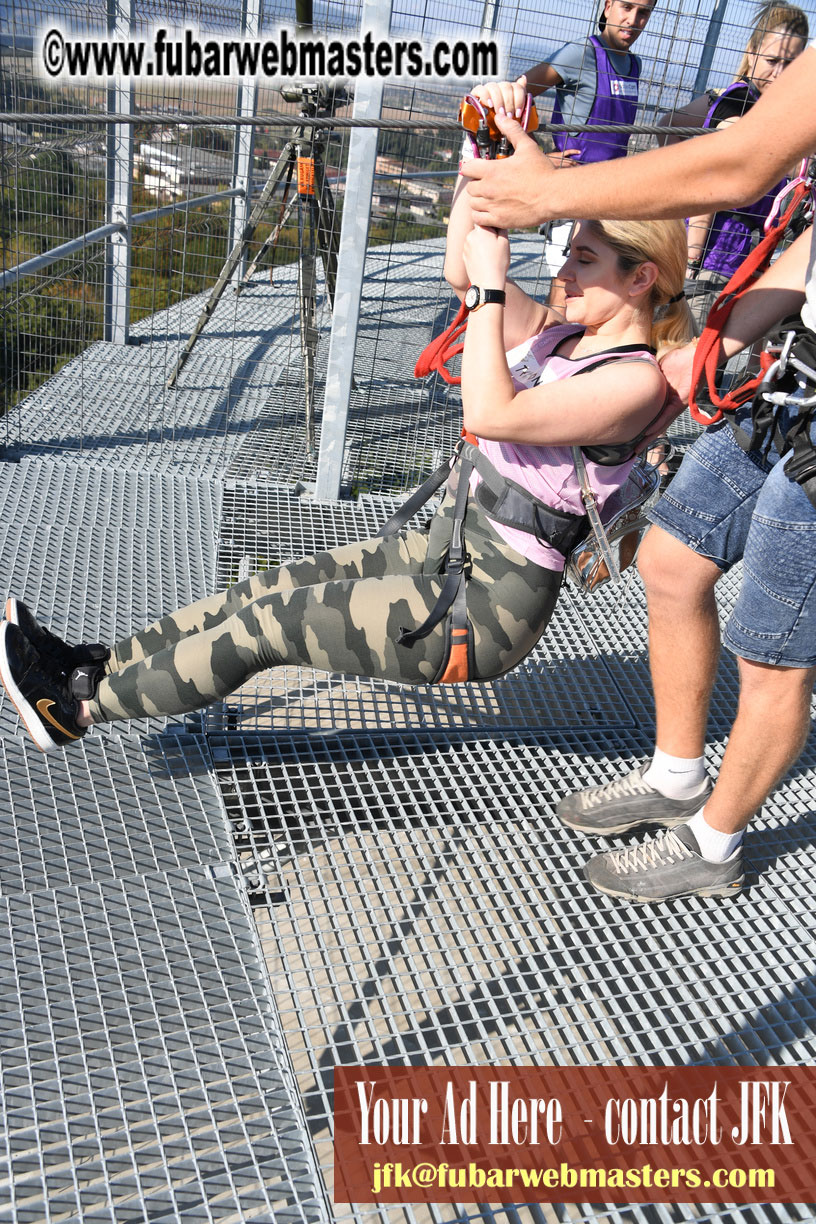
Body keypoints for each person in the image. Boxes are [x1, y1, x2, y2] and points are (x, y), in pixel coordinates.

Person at [0, 175, 693, 755]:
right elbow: (461, 268)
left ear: (641, 277)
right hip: (444, 549)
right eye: (568, 254)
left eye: (585, 260)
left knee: (266, 628)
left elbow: (492, 413)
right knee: (259, 593)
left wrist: (489, 295)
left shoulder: (633, 382)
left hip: (487, 607)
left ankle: (76, 711)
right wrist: (480, 161)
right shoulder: (560, 334)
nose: (562, 272)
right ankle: (93, 665)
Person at [459, 46, 816, 904]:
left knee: (775, 649)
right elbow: (807, 257)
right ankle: (679, 774)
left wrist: (545, 195)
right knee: (671, 557)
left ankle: (715, 844)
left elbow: (739, 162)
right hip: (799, 377)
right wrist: (716, 342)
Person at [659, 3, 808, 328]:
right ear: (752, 53)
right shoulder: (739, 103)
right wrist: (691, 261)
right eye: (772, 61)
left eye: (790, 63)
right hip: (710, 262)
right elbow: (712, 181)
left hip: (741, 262)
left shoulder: (775, 109)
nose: (779, 72)